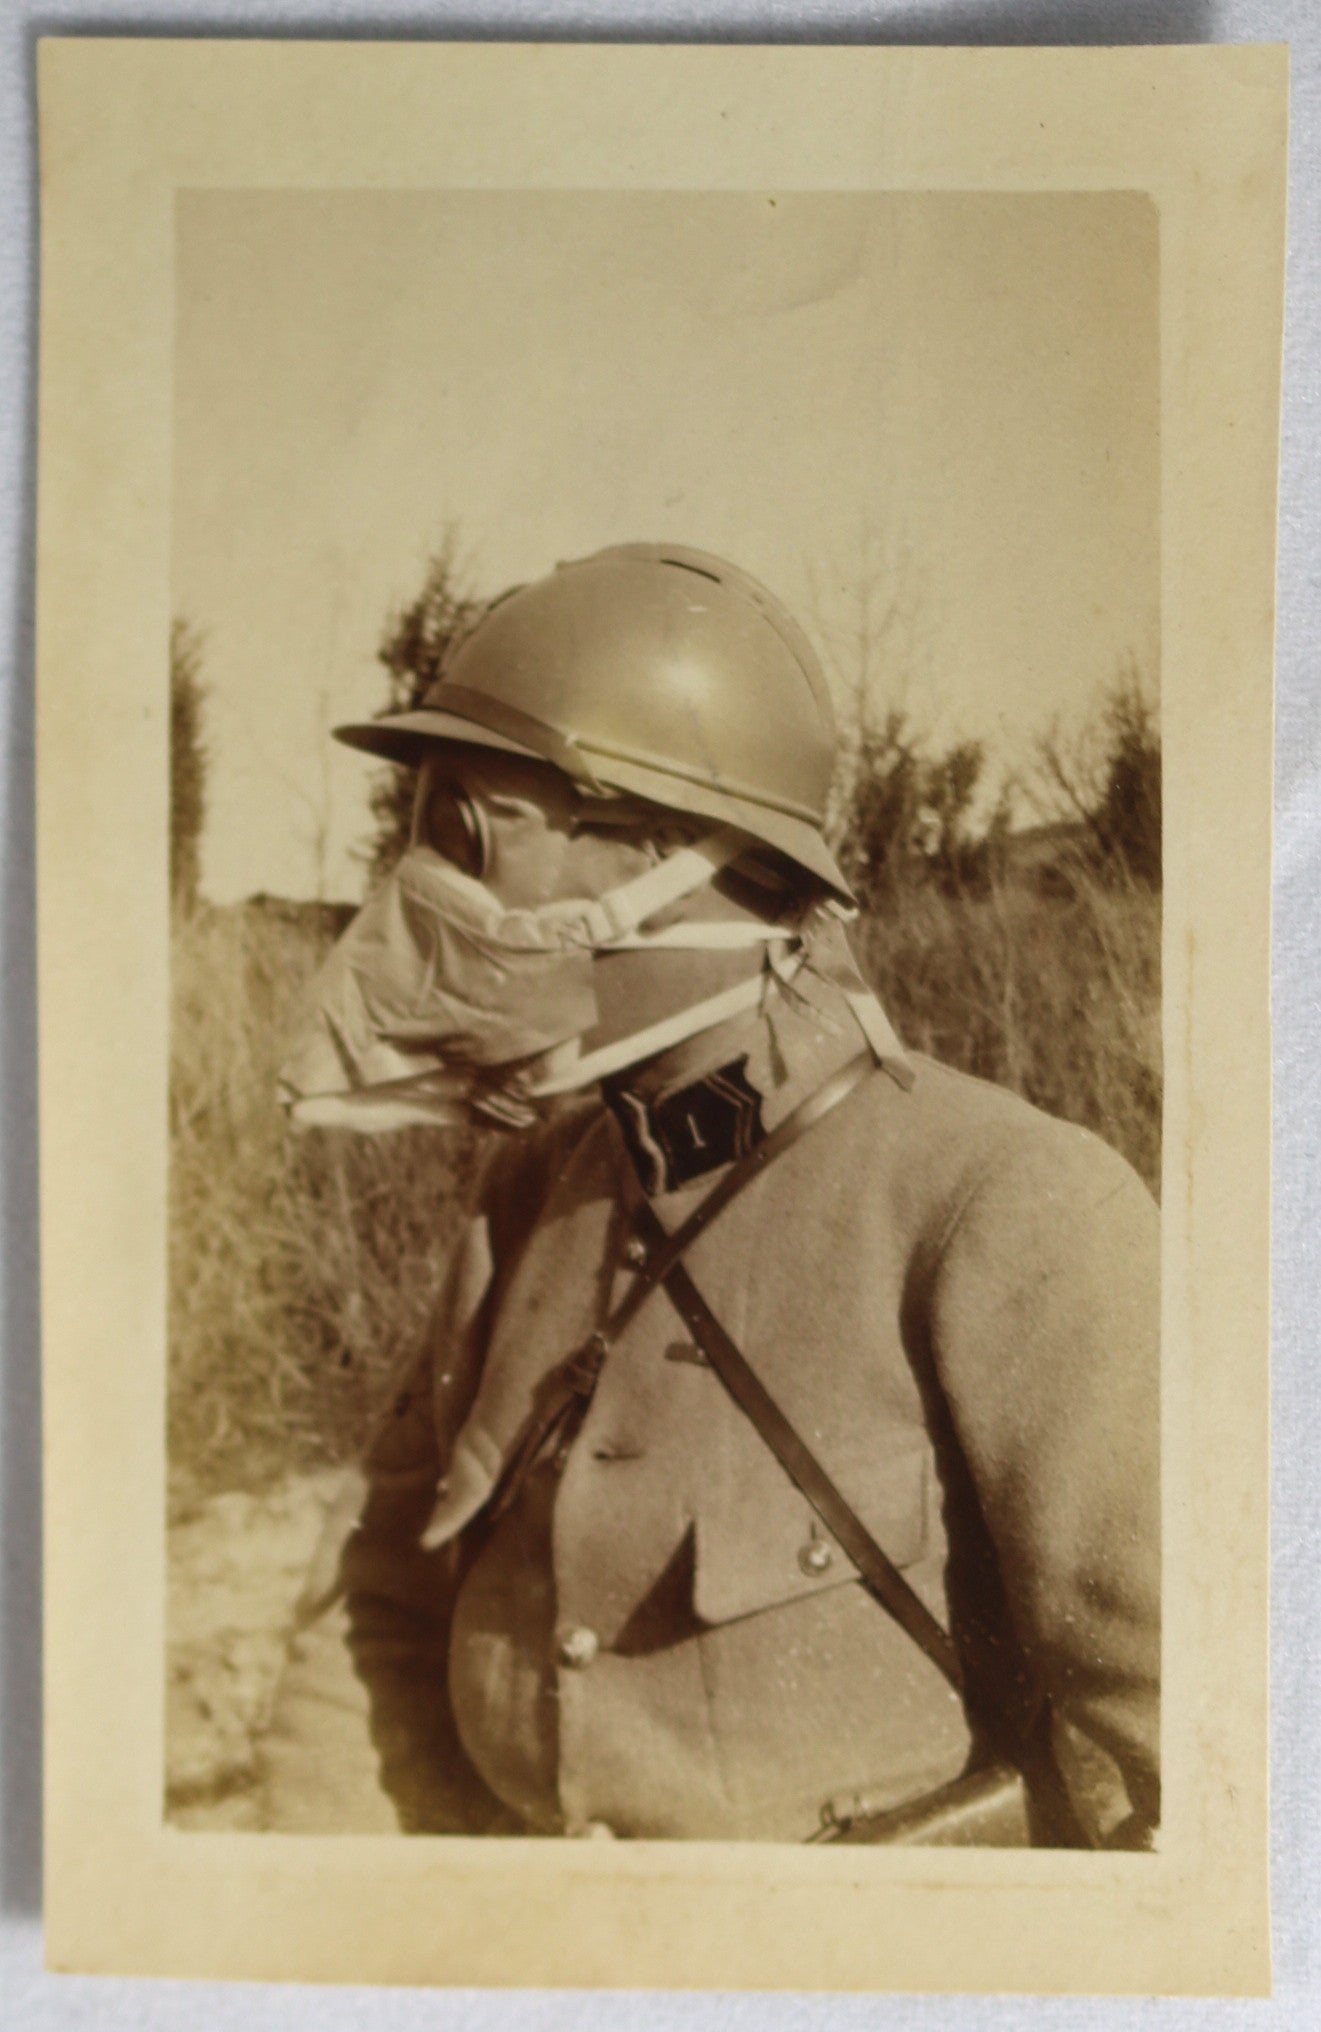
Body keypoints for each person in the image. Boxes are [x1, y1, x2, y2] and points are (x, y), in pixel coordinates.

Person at [263, 542, 1160, 1848]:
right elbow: (378, 1616)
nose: (424, 894)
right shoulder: (527, 1196)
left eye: (470, 832)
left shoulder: (1000, 1204)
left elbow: (1205, 1773)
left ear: (682, 849)